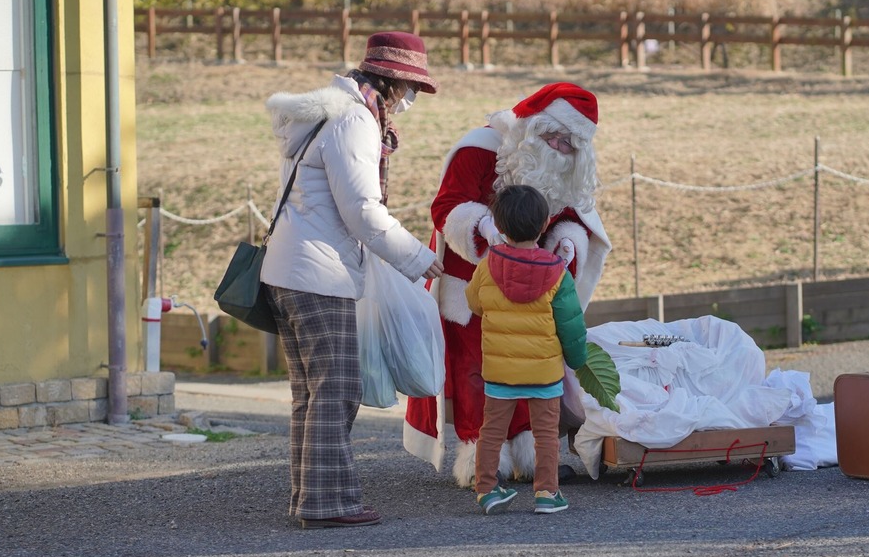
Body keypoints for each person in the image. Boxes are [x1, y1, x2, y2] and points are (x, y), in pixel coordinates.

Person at [261, 31, 444, 529]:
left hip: (288, 269)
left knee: (311, 395)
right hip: (319, 273)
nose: (409, 101)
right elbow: (362, 209)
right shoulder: (355, 120)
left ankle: (309, 497)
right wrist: (416, 256)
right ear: (391, 82)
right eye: (410, 89)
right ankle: (329, 502)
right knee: (336, 390)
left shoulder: (324, 112)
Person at [403, 82, 612, 488]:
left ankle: (529, 453)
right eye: (552, 137)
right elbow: (447, 207)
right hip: (473, 280)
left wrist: (567, 242)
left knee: (527, 367)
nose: (559, 149)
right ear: (533, 128)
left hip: (534, 284)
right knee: (476, 370)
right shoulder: (480, 148)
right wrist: (484, 228)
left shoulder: (565, 168)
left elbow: (574, 217)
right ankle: (481, 455)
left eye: (569, 144)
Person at [466, 184, 588, 514]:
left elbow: (474, 303)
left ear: (499, 226)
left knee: (492, 432)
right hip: (544, 374)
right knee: (546, 435)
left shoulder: (487, 267)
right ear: (545, 224)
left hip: (500, 372)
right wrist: (578, 359)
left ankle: (486, 489)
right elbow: (571, 324)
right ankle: (547, 493)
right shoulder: (557, 273)